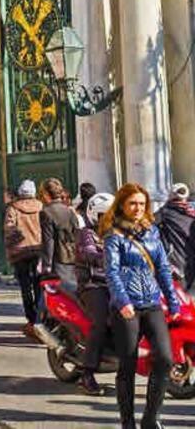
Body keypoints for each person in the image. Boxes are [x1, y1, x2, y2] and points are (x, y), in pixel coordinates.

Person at [102, 183, 179, 429]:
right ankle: (127, 422)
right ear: (122, 205)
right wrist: (123, 302)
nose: (138, 208)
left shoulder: (152, 232)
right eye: (133, 203)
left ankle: (150, 418)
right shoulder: (114, 236)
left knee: (165, 359)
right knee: (128, 364)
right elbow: (111, 272)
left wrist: (172, 300)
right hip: (127, 308)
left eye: (142, 204)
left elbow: (163, 268)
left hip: (152, 304)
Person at [74, 192, 115, 396]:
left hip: (115, 283)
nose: (109, 219)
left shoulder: (118, 233)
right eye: (105, 215)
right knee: (100, 322)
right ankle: (87, 373)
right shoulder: (87, 234)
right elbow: (89, 252)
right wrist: (104, 258)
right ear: (94, 215)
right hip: (93, 284)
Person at [4, 181, 44, 338]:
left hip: (20, 252)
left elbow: (9, 229)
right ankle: (40, 318)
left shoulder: (13, 208)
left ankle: (31, 318)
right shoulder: (41, 206)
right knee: (39, 285)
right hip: (38, 250)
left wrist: (17, 241)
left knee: (25, 286)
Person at [154, 182, 195, 290]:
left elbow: (147, 227)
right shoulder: (191, 212)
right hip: (182, 261)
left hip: (178, 263)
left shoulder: (164, 212)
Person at [40, 177, 78, 290]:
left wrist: (46, 265)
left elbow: (48, 240)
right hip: (72, 255)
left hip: (58, 257)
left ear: (47, 194)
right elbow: (76, 232)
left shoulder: (46, 212)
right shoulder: (70, 211)